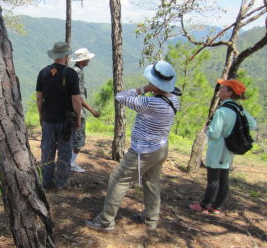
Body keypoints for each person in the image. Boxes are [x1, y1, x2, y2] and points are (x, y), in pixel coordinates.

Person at [85, 60, 179, 231]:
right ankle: (150, 219)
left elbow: (120, 97)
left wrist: (145, 88)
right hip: (160, 147)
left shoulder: (150, 103)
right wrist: (156, 88)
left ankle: (105, 221)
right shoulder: (174, 100)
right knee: (152, 182)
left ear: (156, 85)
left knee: (118, 179)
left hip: (143, 150)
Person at [189, 79, 256, 214]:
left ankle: (204, 206)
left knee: (213, 179)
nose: (220, 89)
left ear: (229, 92)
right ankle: (216, 206)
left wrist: (207, 129)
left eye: (223, 87)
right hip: (229, 150)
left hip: (218, 149)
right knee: (223, 178)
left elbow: (214, 133)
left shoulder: (223, 111)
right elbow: (253, 124)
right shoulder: (238, 108)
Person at [36, 41, 82, 190]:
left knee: (47, 151)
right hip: (66, 121)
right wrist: (78, 118)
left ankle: (46, 182)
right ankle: (60, 184)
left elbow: (39, 97)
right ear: (66, 56)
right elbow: (76, 99)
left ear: (54, 55)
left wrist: (41, 115)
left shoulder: (43, 72)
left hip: (48, 119)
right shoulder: (71, 74)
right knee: (65, 152)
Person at [70, 48, 100, 173]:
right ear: (82, 60)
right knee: (78, 139)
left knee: (71, 138)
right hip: (78, 111)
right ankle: (71, 164)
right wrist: (92, 110)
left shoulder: (73, 71)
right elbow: (78, 96)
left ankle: (68, 162)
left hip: (70, 110)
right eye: (87, 58)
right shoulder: (78, 73)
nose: (89, 60)